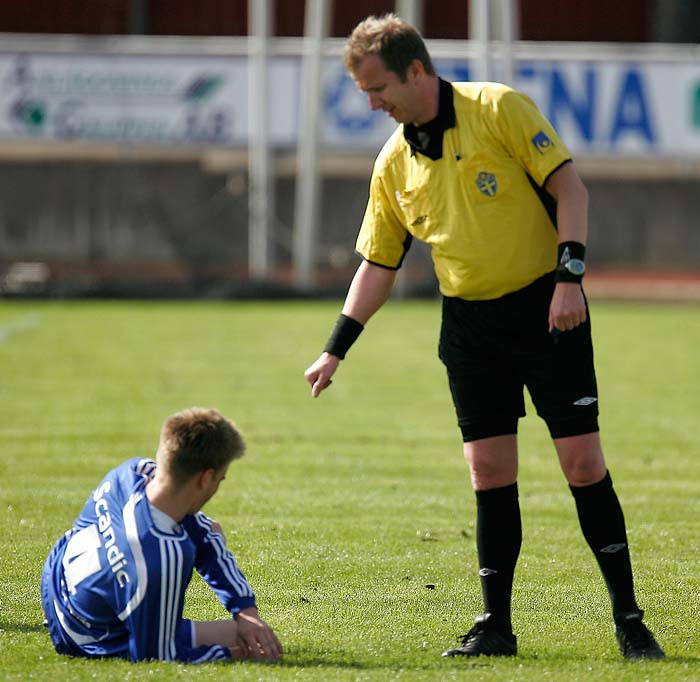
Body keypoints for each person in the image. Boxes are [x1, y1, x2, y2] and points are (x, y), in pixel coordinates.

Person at [304, 14, 664, 661]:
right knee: (489, 472)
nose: (370, 103)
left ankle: (631, 622)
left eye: (377, 87)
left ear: (416, 70)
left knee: (582, 465)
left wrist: (569, 277)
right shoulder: (392, 163)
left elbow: (570, 189)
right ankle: (495, 626)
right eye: (363, 90)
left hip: (548, 310)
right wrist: (336, 347)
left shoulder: (498, 108)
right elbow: (378, 265)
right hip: (469, 327)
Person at [41, 407, 282, 664]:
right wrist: (228, 654)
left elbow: (204, 535)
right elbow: (155, 657)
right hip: (88, 636)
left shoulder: (133, 471)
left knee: (210, 531)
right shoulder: (163, 556)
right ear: (206, 478)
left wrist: (244, 609)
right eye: (221, 479)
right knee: (245, 641)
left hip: (56, 586)